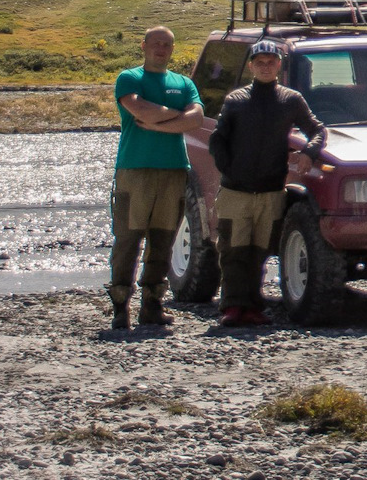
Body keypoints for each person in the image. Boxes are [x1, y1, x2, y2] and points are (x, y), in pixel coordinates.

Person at [208, 39, 327, 325]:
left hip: (272, 190)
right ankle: (232, 307)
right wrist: (230, 171)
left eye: (270, 63)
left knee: (259, 252)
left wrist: (309, 153)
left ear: (279, 66)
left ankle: (253, 307)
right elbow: (217, 140)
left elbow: (318, 130)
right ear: (251, 66)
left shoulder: (291, 99)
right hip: (236, 191)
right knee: (232, 251)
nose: (265, 67)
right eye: (259, 63)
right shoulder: (235, 100)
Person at [108, 27, 203, 331]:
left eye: (167, 44)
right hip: (135, 170)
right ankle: (120, 305)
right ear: (144, 45)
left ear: (173, 49)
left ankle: (152, 304)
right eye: (156, 43)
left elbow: (197, 119)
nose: (161, 49)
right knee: (128, 238)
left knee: (163, 239)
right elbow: (137, 109)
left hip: (174, 169)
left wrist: (159, 124)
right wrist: (176, 118)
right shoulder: (129, 77)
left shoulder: (184, 82)